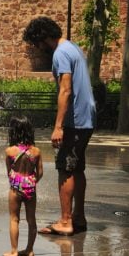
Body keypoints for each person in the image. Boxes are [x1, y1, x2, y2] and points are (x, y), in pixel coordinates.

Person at [22, 16, 95, 236]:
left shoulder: (61, 54)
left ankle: (65, 221)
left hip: (74, 120)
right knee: (77, 168)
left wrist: (58, 127)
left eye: (36, 43)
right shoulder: (73, 47)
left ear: (44, 37)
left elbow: (66, 90)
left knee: (65, 169)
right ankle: (78, 217)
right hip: (87, 117)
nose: (37, 48)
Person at [3, 116, 43, 256]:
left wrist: (16, 181)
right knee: (31, 219)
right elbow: (40, 173)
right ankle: (29, 250)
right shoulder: (36, 151)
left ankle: (14, 251)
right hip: (30, 188)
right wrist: (30, 182)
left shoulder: (10, 151)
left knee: (14, 219)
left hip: (15, 189)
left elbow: (9, 172)